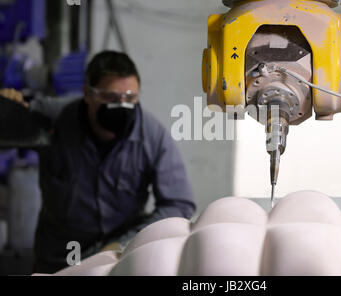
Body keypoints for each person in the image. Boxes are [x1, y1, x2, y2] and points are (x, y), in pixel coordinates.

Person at [0, 51, 196, 273]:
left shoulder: (152, 137)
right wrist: (8, 111)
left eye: (130, 98)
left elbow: (178, 204)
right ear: (88, 93)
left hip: (118, 261)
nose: (122, 106)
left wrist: (124, 243)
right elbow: (7, 133)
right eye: (111, 98)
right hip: (57, 260)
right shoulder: (56, 118)